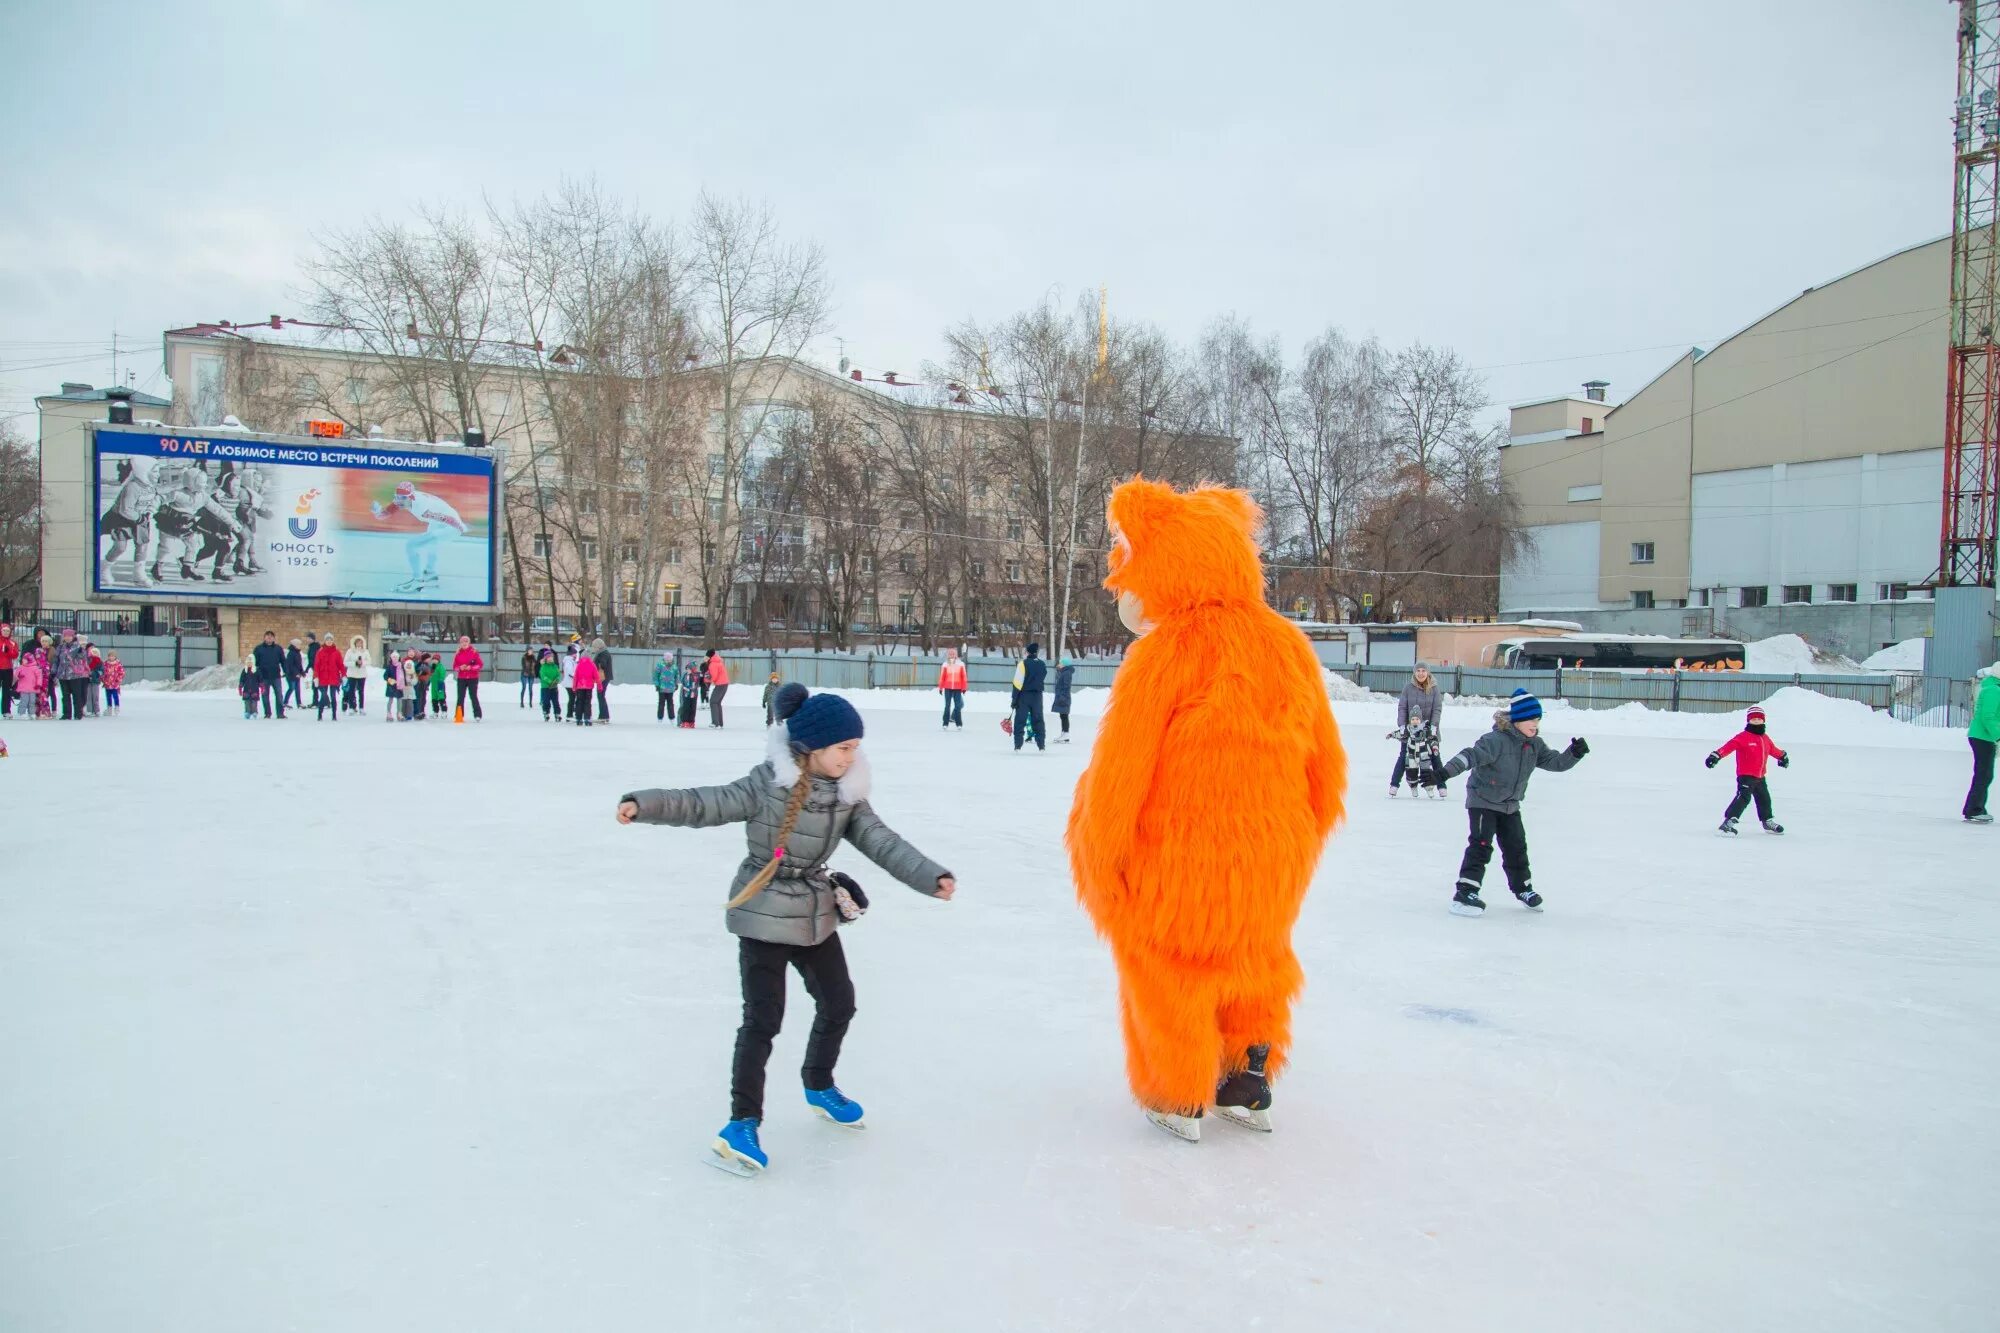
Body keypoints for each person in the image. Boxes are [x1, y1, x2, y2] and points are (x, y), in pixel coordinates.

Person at [1068, 479, 1347, 1142]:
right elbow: (1326, 770)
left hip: (1179, 860)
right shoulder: (1287, 646)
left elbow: (1121, 772)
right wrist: (1296, 847)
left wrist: (1098, 856)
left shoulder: (1164, 653)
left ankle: (1178, 1090)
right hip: (1270, 860)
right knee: (1255, 963)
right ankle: (1246, 1079)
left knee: (1169, 965)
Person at [616, 683, 957, 1177]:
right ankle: (741, 1124)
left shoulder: (847, 798)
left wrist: (930, 877)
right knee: (762, 1021)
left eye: (855, 748)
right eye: (843, 748)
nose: (851, 756)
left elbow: (883, 843)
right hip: (761, 912)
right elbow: (702, 803)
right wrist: (642, 804)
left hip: (814, 913)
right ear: (813, 747)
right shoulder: (766, 785)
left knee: (839, 1002)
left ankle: (818, 1083)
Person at [1439, 688, 1587, 917]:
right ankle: (1465, 892)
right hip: (1483, 801)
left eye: (1538, 720)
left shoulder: (1534, 744)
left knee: (1516, 847)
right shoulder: (1495, 740)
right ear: (1517, 720)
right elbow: (1469, 756)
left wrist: (1574, 754)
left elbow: (1555, 763)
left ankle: (1523, 889)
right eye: (1531, 719)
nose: (1535, 725)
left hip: (1509, 805)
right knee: (1480, 846)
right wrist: (1444, 773)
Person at [371, 479, 467, 595]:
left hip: (451, 526)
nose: (399, 501)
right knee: (431, 544)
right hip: (438, 520)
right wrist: (377, 512)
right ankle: (431, 574)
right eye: (397, 497)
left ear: (411, 498)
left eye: (403, 498)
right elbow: (384, 514)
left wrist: (461, 527)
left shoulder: (423, 508)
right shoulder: (402, 499)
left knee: (412, 545)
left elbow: (448, 519)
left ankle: (418, 581)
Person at [1706, 705, 1789, 834]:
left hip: (1760, 776)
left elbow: (1773, 750)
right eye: (1753, 719)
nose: (1756, 721)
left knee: (1764, 799)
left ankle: (1767, 822)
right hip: (1746, 775)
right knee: (1743, 798)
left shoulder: (1765, 738)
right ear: (1748, 720)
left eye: (1759, 719)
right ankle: (1728, 823)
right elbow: (1728, 747)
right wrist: (1716, 755)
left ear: (1763, 720)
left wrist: (1782, 756)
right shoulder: (1743, 737)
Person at [1390, 663, 1446, 797]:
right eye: (1418, 671)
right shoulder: (1408, 688)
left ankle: (1441, 786)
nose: (1421, 673)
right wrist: (1402, 726)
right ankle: (1394, 785)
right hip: (1411, 731)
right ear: (1414, 673)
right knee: (1404, 757)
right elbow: (1402, 707)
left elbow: (1437, 709)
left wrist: (1433, 726)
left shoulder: (1434, 688)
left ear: (1428, 672)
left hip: (1429, 731)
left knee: (1435, 757)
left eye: (1423, 671)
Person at [1963, 664, 1999, 824]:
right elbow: (1988, 717)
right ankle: (1974, 809)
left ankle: (1972, 808)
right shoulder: (1994, 690)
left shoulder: (1992, 688)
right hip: (1982, 736)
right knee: (1984, 774)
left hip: (1983, 736)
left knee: (1984, 774)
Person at [1010, 642, 1047, 752]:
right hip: (1037, 696)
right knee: (1038, 720)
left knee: (1020, 720)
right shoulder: (1042, 664)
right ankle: (1041, 745)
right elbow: (1043, 675)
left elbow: (1017, 683)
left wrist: (1014, 699)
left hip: (1024, 696)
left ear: (1027, 652)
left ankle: (1018, 745)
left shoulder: (1023, 664)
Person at [52, 628, 92, 721]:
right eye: (65, 636)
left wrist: (81, 652)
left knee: (77, 695)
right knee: (65, 696)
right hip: (63, 675)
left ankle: (78, 714)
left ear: (73, 637)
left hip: (75, 675)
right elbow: (56, 660)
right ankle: (66, 714)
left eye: (69, 636)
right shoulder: (60, 647)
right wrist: (54, 671)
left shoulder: (79, 647)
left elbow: (86, 659)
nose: (67, 638)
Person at [311, 634, 346, 721]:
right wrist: (316, 677)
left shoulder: (336, 652)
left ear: (333, 641)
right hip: (323, 677)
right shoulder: (320, 652)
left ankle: (334, 715)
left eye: (331, 640)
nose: (329, 641)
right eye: (327, 640)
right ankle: (320, 714)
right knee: (323, 696)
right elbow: (316, 665)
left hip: (333, 677)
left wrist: (344, 675)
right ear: (325, 641)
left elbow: (340, 665)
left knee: (333, 696)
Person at [452, 636, 485, 721]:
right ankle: (459, 715)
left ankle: (477, 715)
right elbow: (454, 667)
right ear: (460, 643)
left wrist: (471, 668)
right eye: (463, 642)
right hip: (461, 678)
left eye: (466, 641)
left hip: (473, 678)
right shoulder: (458, 653)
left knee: (473, 696)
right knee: (460, 697)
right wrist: (460, 668)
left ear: (469, 643)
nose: (464, 643)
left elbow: (480, 665)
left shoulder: (474, 652)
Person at [938, 648, 967, 729]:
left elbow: (964, 677)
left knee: (958, 706)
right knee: (947, 706)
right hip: (947, 688)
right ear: (948, 655)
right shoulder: (945, 664)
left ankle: (959, 724)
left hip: (957, 688)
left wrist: (964, 688)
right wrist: (940, 688)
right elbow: (942, 677)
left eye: (953, 654)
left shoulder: (961, 664)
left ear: (956, 655)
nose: (952, 655)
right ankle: (945, 723)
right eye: (950, 654)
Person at [14, 644, 45, 719]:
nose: (23, 660)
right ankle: (21, 713)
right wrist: (18, 676)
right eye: (23, 659)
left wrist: (38, 684)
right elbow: (15, 674)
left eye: (25, 659)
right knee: (24, 701)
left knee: (32, 701)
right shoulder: (21, 667)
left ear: (29, 660)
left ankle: (32, 713)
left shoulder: (35, 668)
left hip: (33, 688)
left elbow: (39, 676)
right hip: (24, 688)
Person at [572, 647, 600, 726]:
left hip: (580, 687)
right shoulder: (592, 665)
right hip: (588, 687)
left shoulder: (579, 665)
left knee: (579, 702)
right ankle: (587, 718)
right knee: (587, 703)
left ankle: (579, 718)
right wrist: (599, 685)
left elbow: (575, 677)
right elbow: (596, 676)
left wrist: (574, 686)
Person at [1050, 656, 1075, 742]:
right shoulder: (1064, 672)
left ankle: (1066, 734)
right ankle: (1064, 733)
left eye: (1061, 663)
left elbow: (1066, 686)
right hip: (1063, 697)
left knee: (1064, 716)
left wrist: (1062, 697)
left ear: (1064, 665)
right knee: (1063, 715)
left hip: (1064, 697)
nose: (1059, 664)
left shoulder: (1067, 673)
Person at [345, 636, 371, 713]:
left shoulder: (365, 651)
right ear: (355, 643)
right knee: (351, 691)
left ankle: (361, 707)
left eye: (361, 642)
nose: (359, 644)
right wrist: (355, 663)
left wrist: (362, 663)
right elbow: (345, 662)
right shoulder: (350, 651)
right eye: (358, 642)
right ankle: (351, 707)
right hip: (352, 674)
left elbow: (369, 661)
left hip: (362, 674)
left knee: (361, 691)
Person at [706, 649, 731, 728]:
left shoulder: (713, 664)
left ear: (709, 656)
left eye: (707, 656)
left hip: (720, 684)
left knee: (713, 702)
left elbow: (714, 676)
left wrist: (707, 679)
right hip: (724, 684)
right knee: (717, 703)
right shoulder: (718, 661)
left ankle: (715, 723)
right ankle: (720, 723)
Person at [655, 653, 683, 723]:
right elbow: (656, 675)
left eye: (669, 659)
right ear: (664, 659)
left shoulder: (674, 666)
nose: (668, 660)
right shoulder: (660, 665)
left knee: (670, 703)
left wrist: (676, 684)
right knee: (661, 703)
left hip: (670, 688)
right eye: (667, 659)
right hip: (662, 688)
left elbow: (677, 675)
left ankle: (672, 718)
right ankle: (660, 718)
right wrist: (657, 685)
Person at [592, 638, 614, 723]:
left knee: (601, 696)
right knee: (601, 696)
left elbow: (603, 664)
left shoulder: (603, 654)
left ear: (599, 646)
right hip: (605, 677)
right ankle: (603, 715)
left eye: (595, 646)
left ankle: (603, 716)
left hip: (603, 677)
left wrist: (596, 664)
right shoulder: (604, 652)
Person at [280, 639, 305, 711]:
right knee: (291, 688)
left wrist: (302, 672)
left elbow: (299, 665)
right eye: (299, 644)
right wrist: (296, 673)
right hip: (291, 675)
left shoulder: (298, 653)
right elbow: (290, 666)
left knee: (298, 689)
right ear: (294, 645)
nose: (300, 646)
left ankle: (299, 703)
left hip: (297, 675)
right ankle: (285, 702)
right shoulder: (291, 653)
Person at [538, 648, 562, 721]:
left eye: (551, 657)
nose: (550, 658)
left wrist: (556, 680)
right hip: (546, 687)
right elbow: (543, 676)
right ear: (546, 658)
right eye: (549, 657)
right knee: (546, 701)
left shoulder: (555, 666)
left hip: (554, 687)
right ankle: (546, 712)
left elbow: (558, 674)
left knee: (555, 701)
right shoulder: (543, 667)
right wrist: (550, 681)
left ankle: (557, 714)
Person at [561, 641, 581, 723]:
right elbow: (569, 671)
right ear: (571, 653)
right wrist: (576, 676)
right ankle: (570, 714)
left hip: (572, 683)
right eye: (575, 653)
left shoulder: (572, 660)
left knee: (573, 698)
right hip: (570, 683)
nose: (576, 655)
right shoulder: (568, 660)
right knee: (572, 698)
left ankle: (572, 713)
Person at [83, 638, 104, 716]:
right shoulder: (88, 661)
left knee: (95, 696)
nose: (94, 653)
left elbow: (102, 671)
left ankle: (97, 710)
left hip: (95, 681)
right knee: (88, 696)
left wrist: (96, 673)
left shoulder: (100, 662)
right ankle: (89, 710)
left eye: (95, 651)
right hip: (88, 681)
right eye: (92, 651)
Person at [0, 622, 17, 716]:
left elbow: (15, 655)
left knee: (6, 690)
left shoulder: (12, 643)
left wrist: (8, 651)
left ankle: (6, 710)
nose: (6, 632)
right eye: (4, 630)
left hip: (8, 669)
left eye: (8, 631)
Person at [383, 650, 405, 723]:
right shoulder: (389, 666)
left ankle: (399, 713)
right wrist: (390, 680)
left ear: (399, 658)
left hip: (399, 685)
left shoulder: (401, 666)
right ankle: (389, 713)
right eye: (393, 657)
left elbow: (404, 675)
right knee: (390, 700)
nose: (395, 658)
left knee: (399, 700)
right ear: (391, 658)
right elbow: (385, 676)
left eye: (396, 657)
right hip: (391, 686)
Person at [237, 654, 260, 720]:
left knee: (254, 702)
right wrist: (240, 687)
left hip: (255, 689)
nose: (249, 664)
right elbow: (242, 679)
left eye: (251, 662)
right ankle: (247, 712)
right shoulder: (245, 671)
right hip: (246, 689)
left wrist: (262, 686)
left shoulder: (257, 670)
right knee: (247, 702)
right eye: (248, 662)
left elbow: (260, 679)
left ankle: (254, 712)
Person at [101, 651, 125, 715]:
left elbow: (122, 673)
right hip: (107, 683)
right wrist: (103, 679)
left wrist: (118, 680)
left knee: (115, 696)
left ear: (115, 657)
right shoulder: (105, 664)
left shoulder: (118, 664)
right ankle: (109, 708)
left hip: (115, 684)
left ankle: (117, 707)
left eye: (113, 656)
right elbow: (102, 672)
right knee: (108, 696)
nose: (111, 657)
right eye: (110, 656)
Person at [678, 664, 700, 729]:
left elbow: (698, 684)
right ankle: (685, 721)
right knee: (686, 708)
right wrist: (686, 688)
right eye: (687, 669)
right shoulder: (685, 675)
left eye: (689, 669)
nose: (687, 670)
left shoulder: (696, 675)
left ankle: (691, 722)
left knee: (692, 708)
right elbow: (682, 682)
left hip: (694, 695)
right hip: (686, 694)